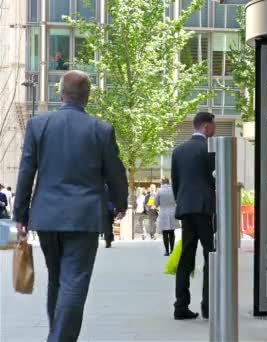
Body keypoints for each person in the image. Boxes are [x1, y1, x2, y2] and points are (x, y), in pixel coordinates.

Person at [13, 70, 128, 342]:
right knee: (74, 281)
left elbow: (26, 170)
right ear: (87, 97)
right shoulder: (101, 130)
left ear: (61, 95)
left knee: (57, 279)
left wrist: (20, 214)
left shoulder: (38, 126)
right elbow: (115, 172)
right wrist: (120, 203)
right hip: (84, 216)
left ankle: (57, 334)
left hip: (47, 216)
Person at [172, 112, 216, 320]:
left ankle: (180, 306)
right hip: (204, 210)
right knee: (210, 255)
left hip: (186, 209)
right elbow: (216, 179)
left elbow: (176, 183)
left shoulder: (178, 151)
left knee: (186, 257)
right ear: (207, 127)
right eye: (213, 127)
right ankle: (208, 305)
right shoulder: (209, 149)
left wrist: (183, 203)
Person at [156, 178, 178, 256]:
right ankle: (172, 250)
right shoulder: (173, 190)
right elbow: (177, 200)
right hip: (172, 212)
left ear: (162, 183)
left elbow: (156, 203)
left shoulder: (159, 191)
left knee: (165, 233)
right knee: (172, 232)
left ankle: (166, 251)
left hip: (163, 213)